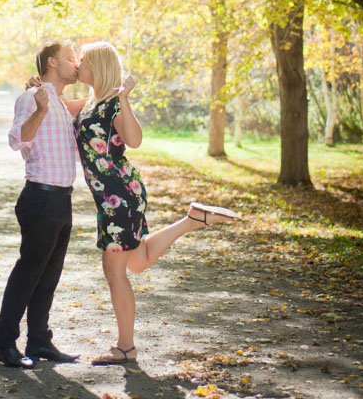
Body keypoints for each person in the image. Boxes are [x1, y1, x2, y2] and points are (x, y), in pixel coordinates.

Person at [72, 41, 240, 365]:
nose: (78, 65)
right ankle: (193, 219)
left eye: (83, 61)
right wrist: (40, 88)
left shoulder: (113, 105)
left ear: (98, 66)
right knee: (136, 261)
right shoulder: (89, 104)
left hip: (119, 197)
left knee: (114, 270)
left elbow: (134, 140)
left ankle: (125, 348)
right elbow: (58, 104)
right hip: (111, 198)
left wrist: (124, 97)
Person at [0, 40, 81, 368]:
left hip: (62, 198)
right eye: (71, 58)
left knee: (48, 277)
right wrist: (39, 110)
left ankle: (39, 342)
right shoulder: (33, 98)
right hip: (40, 197)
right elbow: (17, 140)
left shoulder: (59, 101)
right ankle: (3, 344)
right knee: (28, 274)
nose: (76, 63)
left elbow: (98, 96)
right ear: (52, 62)